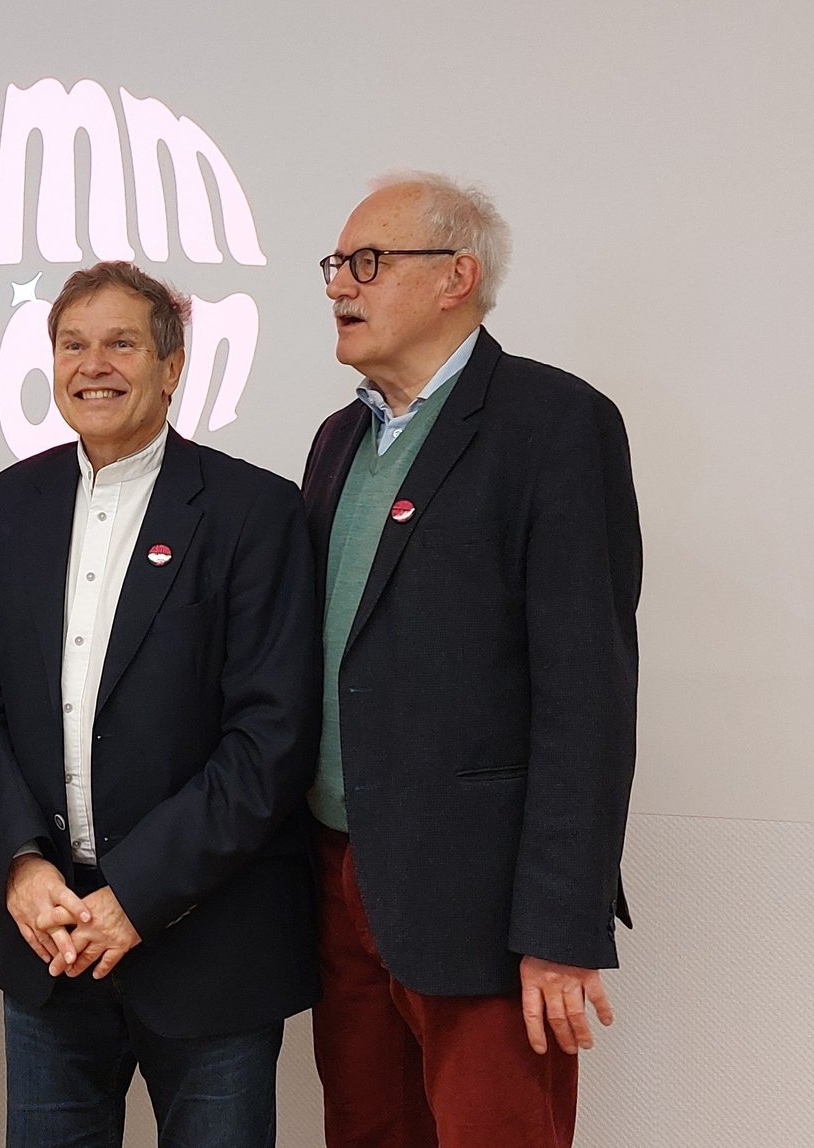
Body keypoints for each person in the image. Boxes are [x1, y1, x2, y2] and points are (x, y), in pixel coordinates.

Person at [304, 171, 643, 1148]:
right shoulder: (338, 439)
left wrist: (558, 924)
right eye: (333, 264)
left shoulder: (552, 426)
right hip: (339, 881)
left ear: (455, 277)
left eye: (365, 262)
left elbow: (586, 694)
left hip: (485, 907)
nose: (337, 285)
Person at [0, 261, 321, 1148]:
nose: (94, 364)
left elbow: (271, 736)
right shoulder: (10, 505)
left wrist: (135, 893)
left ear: (173, 364)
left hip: (209, 946)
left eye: (121, 342)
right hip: (51, 945)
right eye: (73, 344)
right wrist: (21, 869)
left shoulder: (253, 510)